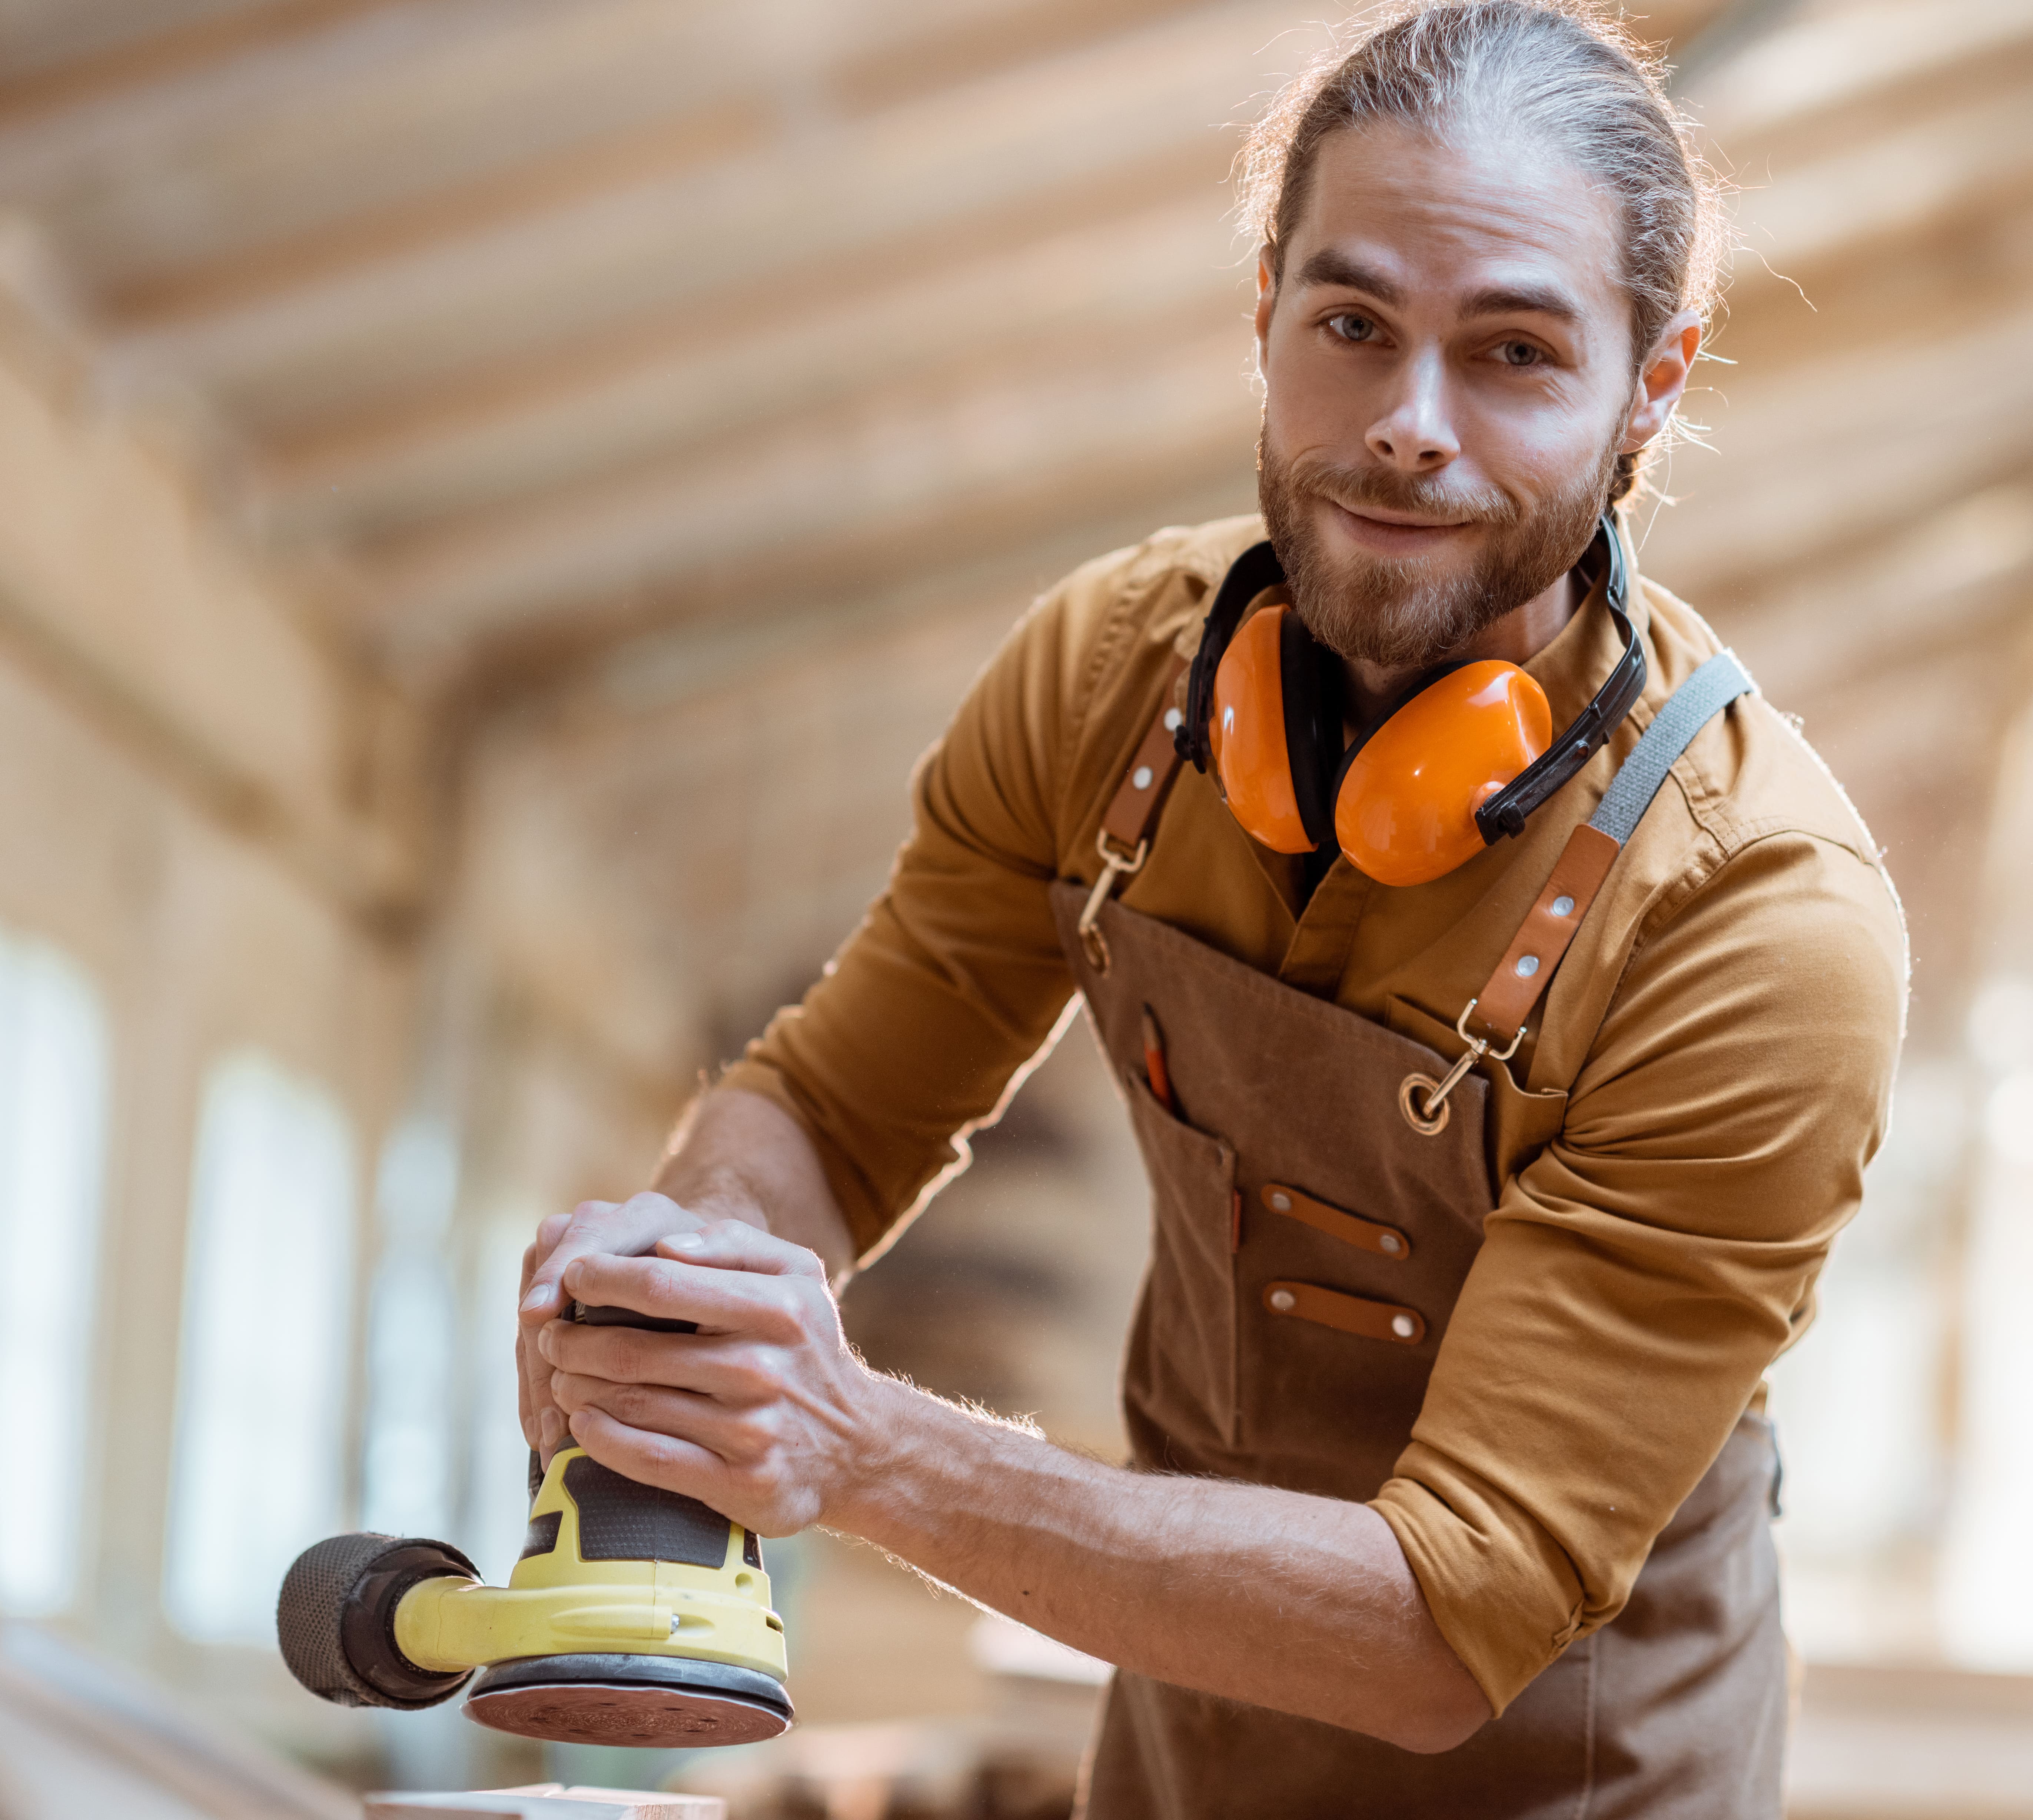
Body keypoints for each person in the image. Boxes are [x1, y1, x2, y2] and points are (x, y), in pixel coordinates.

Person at [513, 3, 1907, 1812]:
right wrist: (685, 1294)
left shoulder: (1752, 926)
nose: (1409, 426)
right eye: (1352, 326)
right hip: (1178, 1748)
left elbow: (1439, 1624)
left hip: (1565, 1777)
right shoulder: (1109, 687)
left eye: (1511, 353)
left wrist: (858, 1445)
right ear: (1264, 310)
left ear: (1652, 384)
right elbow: (826, 1109)